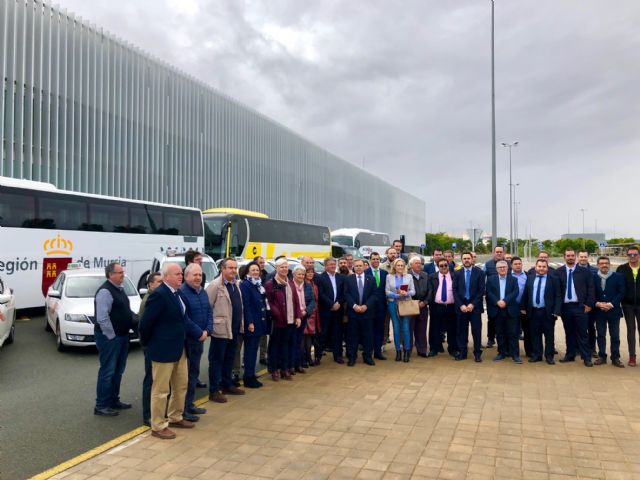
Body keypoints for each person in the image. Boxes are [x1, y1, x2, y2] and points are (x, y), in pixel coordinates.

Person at [139, 263, 193, 439]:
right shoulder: (159, 295)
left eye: (182, 274)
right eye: (177, 274)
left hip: (179, 348)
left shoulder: (178, 294)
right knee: (161, 390)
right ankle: (158, 425)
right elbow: (146, 323)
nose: (181, 276)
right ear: (167, 276)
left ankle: (175, 416)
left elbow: (182, 319)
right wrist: (148, 345)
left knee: (180, 384)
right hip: (162, 349)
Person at [93, 262, 135, 417]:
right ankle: (101, 405)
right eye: (120, 272)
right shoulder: (105, 292)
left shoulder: (119, 290)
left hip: (122, 336)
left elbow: (126, 311)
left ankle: (113, 400)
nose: (123, 274)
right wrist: (112, 337)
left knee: (118, 371)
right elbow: (102, 318)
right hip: (110, 338)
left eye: (122, 272)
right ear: (111, 274)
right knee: (108, 371)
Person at [206, 257, 245, 403]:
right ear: (223, 269)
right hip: (220, 330)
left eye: (235, 268)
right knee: (217, 360)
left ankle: (227, 384)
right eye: (230, 268)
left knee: (229, 358)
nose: (233, 271)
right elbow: (207, 307)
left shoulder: (236, 284)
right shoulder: (215, 285)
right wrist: (210, 327)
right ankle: (214, 390)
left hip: (233, 329)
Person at [180, 263, 212, 420]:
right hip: (188, 341)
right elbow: (184, 319)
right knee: (184, 377)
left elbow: (209, 311)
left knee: (194, 374)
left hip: (200, 339)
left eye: (200, 275)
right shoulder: (182, 293)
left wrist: (207, 330)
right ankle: (182, 409)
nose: (198, 277)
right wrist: (199, 332)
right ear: (186, 277)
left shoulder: (202, 292)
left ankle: (190, 404)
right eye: (195, 275)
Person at [556, 248, 596, 367]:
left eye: (572, 255)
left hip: (580, 307)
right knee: (569, 332)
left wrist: (589, 304)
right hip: (565, 308)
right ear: (564, 257)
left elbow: (591, 288)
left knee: (583, 333)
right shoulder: (559, 272)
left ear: (576, 257)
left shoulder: (584, 272)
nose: (570, 257)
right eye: (568, 255)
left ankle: (586, 357)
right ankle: (570, 355)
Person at [265, 258, 302, 380]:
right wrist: (278, 315)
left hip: (290, 321)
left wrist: (298, 316)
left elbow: (296, 301)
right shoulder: (271, 284)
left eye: (286, 267)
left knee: (286, 345)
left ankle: (284, 368)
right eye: (282, 267)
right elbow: (269, 302)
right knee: (275, 346)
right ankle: (274, 369)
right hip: (277, 322)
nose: (285, 269)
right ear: (276, 268)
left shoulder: (290, 283)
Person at [520, 259, 562, 364]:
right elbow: (526, 294)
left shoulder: (554, 279)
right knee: (535, 335)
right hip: (533, 312)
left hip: (548, 312)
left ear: (547, 268)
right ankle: (537, 355)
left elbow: (558, 296)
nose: (541, 268)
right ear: (535, 267)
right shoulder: (530, 278)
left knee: (549, 336)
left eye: (544, 267)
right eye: (539, 266)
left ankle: (549, 356)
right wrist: (523, 307)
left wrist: (556, 311)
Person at [239, 261, 268, 388]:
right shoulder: (246, 284)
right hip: (252, 323)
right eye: (253, 270)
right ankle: (248, 377)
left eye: (257, 270)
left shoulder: (257, 284)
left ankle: (251, 373)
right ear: (247, 272)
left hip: (259, 321)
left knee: (254, 349)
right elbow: (246, 304)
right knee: (250, 350)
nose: (256, 272)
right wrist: (250, 322)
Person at [486, 260, 521, 363]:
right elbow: (489, 292)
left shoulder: (513, 279)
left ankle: (515, 355)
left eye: (504, 267)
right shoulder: (491, 279)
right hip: (497, 310)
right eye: (500, 267)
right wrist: (497, 302)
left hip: (510, 309)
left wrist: (505, 301)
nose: (502, 269)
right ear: (496, 269)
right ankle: (501, 353)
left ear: (507, 268)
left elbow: (516, 292)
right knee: (499, 333)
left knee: (513, 333)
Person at [453, 252, 486, 362]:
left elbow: (481, 290)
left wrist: (472, 304)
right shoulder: (457, 273)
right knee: (461, 331)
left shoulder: (480, 273)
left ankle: (477, 353)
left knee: (476, 331)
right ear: (461, 260)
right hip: (461, 307)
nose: (466, 260)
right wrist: (461, 305)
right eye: (464, 258)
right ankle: (463, 353)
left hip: (475, 307)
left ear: (472, 259)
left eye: (468, 258)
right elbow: (455, 290)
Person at [593, 256, 625, 367]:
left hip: (614, 311)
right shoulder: (593, 277)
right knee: (601, 335)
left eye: (606, 263)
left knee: (615, 335)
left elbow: (621, 292)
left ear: (609, 264)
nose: (604, 265)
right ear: (598, 265)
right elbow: (591, 293)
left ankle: (615, 357)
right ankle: (602, 356)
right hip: (599, 311)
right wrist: (597, 303)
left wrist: (611, 304)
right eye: (601, 263)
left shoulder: (618, 277)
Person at [344, 259, 377, 366]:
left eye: (360, 266)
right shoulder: (349, 279)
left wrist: (366, 306)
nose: (358, 268)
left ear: (364, 267)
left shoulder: (371, 279)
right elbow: (346, 294)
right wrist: (354, 306)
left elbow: (374, 294)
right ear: (353, 267)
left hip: (367, 312)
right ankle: (352, 357)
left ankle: (367, 356)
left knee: (368, 336)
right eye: (356, 266)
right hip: (353, 312)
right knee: (352, 336)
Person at [140, 272, 162, 426]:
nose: (162, 284)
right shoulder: (149, 300)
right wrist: (148, 345)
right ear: (150, 285)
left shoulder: (158, 298)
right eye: (159, 282)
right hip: (151, 346)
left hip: (156, 345)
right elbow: (145, 325)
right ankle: (147, 414)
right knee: (150, 380)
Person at [316, 257, 346, 364]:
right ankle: (318, 356)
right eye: (330, 264)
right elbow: (321, 294)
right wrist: (331, 304)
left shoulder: (341, 277)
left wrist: (338, 303)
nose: (333, 266)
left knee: (337, 334)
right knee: (322, 334)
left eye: (334, 264)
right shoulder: (320, 278)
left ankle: (337, 356)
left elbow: (343, 293)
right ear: (325, 266)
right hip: (326, 310)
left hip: (338, 310)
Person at [385, 258, 416, 362]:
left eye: (402, 265)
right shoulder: (389, 276)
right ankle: (398, 351)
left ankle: (407, 351)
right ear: (394, 266)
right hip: (393, 303)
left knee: (406, 327)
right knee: (396, 327)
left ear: (405, 266)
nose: (400, 267)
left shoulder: (409, 276)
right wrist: (396, 295)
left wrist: (406, 293)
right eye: (398, 265)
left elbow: (413, 291)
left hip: (405, 303)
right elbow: (387, 291)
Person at [427, 258, 457, 357]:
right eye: (441, 266)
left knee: (452, 329)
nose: (444, 267)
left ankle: (452, 349)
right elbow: (430, 291)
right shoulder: (432, 277)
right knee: (434, 329)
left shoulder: (455, 276)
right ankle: (434, 349)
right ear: (438, 266)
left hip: (451, 306)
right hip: (436, 306)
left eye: (445, 265)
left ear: (448, 265)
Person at [616, 246, 640, 366]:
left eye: (635, 254)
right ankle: (632, 356)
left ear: (639, 255)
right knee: (631, 330)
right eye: (630, 255)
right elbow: (618, 287)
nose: (632, 257)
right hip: (627, 305)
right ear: (627, 256)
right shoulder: (621, 269)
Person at [291, 265, 315, 374]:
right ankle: (291, 365)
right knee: (292, 342)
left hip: (304, 316)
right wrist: (297, 314)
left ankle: (298, 364)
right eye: (298, 274)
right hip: (293, 318)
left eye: (302, 274)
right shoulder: (289, 285)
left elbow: (312, 301)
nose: (301, 276)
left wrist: (306, 312)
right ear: (293, 275)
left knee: (299, 341)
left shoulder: (307, 285)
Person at [365, 252, 388, 360]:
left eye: (377, 259)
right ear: (370, 260)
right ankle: (368, 353)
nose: (375, 261)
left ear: (380, 260)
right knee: (369, 330)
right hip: (369, 307)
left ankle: (378, 352)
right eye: (373, 259)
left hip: (381, 307)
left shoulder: (384, 273)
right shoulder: (365, 273)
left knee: (379, 329)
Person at [577, 250, 598, 358]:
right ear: (578, 257)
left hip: (590, 304)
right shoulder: (573, 270)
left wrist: (591, 303)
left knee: (590, 326)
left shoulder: (594, 270)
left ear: (588, 257)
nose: (583, 259)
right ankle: (578, 348)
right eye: (581, 257)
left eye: (585, 257)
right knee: (577, 327)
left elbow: (595, 288)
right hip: (578, 304)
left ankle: (592, 348)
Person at [408, 256, 430, 358]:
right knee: (409, 328)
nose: (418, 265)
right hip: (410, 305)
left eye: (420, 263)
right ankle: (408, 350)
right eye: (416, 263)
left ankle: (422, 350)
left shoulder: (425, 275)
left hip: (423, 306)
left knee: (421, 328)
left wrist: (425, 302)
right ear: (411, 265)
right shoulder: (407, 276)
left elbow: (430, 291)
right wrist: (413, 302)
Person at [510, 257, 530, 357]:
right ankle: (513, 352)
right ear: (511, 265)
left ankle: (529, 352)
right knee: (513, 331)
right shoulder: (507, 275)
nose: (518, 265)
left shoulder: (527, 275)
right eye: (515, 264)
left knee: (527, 330)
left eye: (519, 263)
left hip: (525, 308)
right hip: (512, 306)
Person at [302, 267, 321, 367]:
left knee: (309, 336)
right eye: (308, 272)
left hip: (314, 314)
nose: (310, 274)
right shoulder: (304, 284)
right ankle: (304, 359)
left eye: (312, 272)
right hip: (305, 313)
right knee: (303, 337)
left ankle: (309, 357)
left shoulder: (314, 284)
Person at [253, 256, 269, 366]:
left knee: (264, 336)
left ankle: (263, 356)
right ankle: (247, 360)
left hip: (264, 308)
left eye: (264, 262)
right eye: (260, 262)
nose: (262, 264)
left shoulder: (266, 275)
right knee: (253, 339)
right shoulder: (251, 277)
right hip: (255, 310)